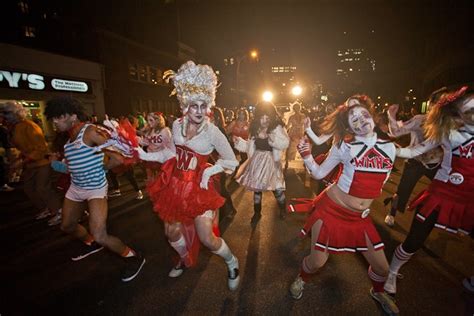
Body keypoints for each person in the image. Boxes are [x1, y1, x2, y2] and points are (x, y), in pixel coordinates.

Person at [288, 95, 399, 315]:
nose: (359, 120)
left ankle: (378, 291)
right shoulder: (342, 146)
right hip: (331, 210)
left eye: (363, 115)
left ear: (373, 117)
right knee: (317, 262)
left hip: (359, 218)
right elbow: (319, 172)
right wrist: (307, 156)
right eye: (353, 117)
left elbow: (382, 179)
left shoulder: (389, 148)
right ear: (347, 124)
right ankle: (302, 277)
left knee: (383, 268)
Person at [137, 61, 240, 290]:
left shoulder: (213, 132)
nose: (200, 111)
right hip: (174, 186)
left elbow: (231, 161)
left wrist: (209, 172)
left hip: (199, 188)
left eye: (204, 105)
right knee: (171, 231)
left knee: (207, 239)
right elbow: (170, 154)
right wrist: (143, 155)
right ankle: (184, 259)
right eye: (195, 106)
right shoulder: (176, 126)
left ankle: (231, 261)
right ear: (185, 104)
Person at [44, 96, 145, 282]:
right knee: (67, 225)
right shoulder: (67, 142)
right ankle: (90, 243)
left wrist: (103, 168)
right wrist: (56, 165)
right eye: (52, 118)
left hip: (95, 188)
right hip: (76, 188)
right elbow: (72, 167)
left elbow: (118, 157)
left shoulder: (90, 131)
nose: (54, 122)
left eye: (58, 117)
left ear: (72, 116)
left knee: (100, 234)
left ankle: (133, 257)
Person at [384, 86, 474, 295]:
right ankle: (392, 271)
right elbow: (415, 149)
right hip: (442, 193)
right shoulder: (446, 132)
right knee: (415, 238)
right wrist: (390, 149)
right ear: (457, 113)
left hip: (469, 198)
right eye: (469, 111)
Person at [383, 89, 445, 227]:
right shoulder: (419, 120)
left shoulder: (447, 124)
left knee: (446, 190)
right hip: (415, 161)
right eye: (440, 103)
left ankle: (440, 218)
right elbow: (396, 132)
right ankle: (392, 213)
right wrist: (391, 116)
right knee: (403, 191)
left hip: (436, 163)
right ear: (431, 105)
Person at [0, 101, 62, 225]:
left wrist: (23, 161)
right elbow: (24, 147)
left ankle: (59, 212)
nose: (2, 118)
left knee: (43, 188)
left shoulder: (29, 126)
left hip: (42, 162)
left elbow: (40, 148)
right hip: (31, 164)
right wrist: (20, 159)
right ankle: (47, 209)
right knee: (29, 189)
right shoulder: (15, 127)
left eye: (4, 115)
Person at [234, 102, 290, 222]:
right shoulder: (255, 128)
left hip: (271, 162)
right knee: (257, 190)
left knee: (277, 190)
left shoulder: (276, 128)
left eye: (267, 117)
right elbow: (249, 146)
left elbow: (285, 143)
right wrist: (239, 142)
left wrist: (272, 139)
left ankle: (282, 209)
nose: (264, 120)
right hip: (257, 161)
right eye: (262, 117)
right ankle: (257, 213)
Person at [140, 112, 173, 182]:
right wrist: (134, 139)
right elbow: (145, 142)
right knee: (151, 179)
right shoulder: (149, 130)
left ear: (158, 120)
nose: (148, 122)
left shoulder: (165, 130)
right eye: (147, 120)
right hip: (151, 157)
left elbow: (170, 145)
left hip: (161, 159)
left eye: (151, 120)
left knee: (161, 180)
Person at [285, 101, 306, 170]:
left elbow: (305, 126)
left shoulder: (303, 116)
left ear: (299, 108)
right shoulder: (291, 117)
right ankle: (289, 165)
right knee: (291, 150)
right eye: (295, 108)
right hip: (293, 134)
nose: (297, 109)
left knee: (301, 149)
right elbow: (287, 126)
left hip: (300, 134)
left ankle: (295, 166)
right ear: (294, 109)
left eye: (298, 107)